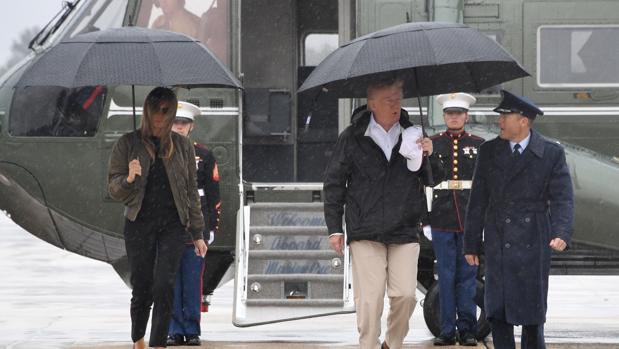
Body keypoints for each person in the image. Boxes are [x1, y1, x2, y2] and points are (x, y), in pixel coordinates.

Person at [324, 77, 444, 349]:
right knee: (370, 298)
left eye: (398, 99)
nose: (396, 105)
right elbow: (334, 183)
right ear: (372, 104)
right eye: (389, 100)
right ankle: (368, 344)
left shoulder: (413, 133)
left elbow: (433, 179)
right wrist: (334, 227)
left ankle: (392, 343)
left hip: (405, 227)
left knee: (405, 296)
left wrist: (430, 154)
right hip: (365, 229)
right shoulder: (353, 137)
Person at [464, 90, 574, 349]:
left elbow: (562, 198)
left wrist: (561, 232)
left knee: (532, 314)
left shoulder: (550, 153)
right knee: (498, 312)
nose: (500, 121)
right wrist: (470, 243)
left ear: (523, 121)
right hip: (499, 236)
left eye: (505, 116)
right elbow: (478, 199)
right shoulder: (489, 151)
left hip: (533, 237)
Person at [108, 87, 208, 349]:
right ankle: (138, 338)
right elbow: (114, 190)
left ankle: (157, 345)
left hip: (173, 226)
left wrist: (197, 233)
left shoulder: (183, 147)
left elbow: (190, 192)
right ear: (147, 111)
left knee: (165, 286)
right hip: (139, 223)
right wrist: (129, 178)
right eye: (157, 110)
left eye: (167, 111)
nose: (161, 117)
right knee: (142, 287)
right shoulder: (127, 143)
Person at [429, 93, 484, 346]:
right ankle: (447, 330)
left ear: (466, 116)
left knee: (468, 278)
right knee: (446, 276)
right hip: (441, 219)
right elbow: (423, 182)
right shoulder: (431, 143)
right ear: (444, 116)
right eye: (450, 113)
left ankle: (468, 329)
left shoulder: (480, 144)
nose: (454, 117)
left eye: (458, 113)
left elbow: (485, 186)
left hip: (470, 218)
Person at [166, 101, 221, 346]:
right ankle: (173, 329)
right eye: (175, 122)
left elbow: (213, 195)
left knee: (191, 281)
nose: (179, 127)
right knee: (169, 281)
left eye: (183, 123)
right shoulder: (158, 153)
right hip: (168, 227)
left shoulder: (205, 155)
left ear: (191, 127)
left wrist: (210, 229)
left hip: (195, 228)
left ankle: (192, 329)